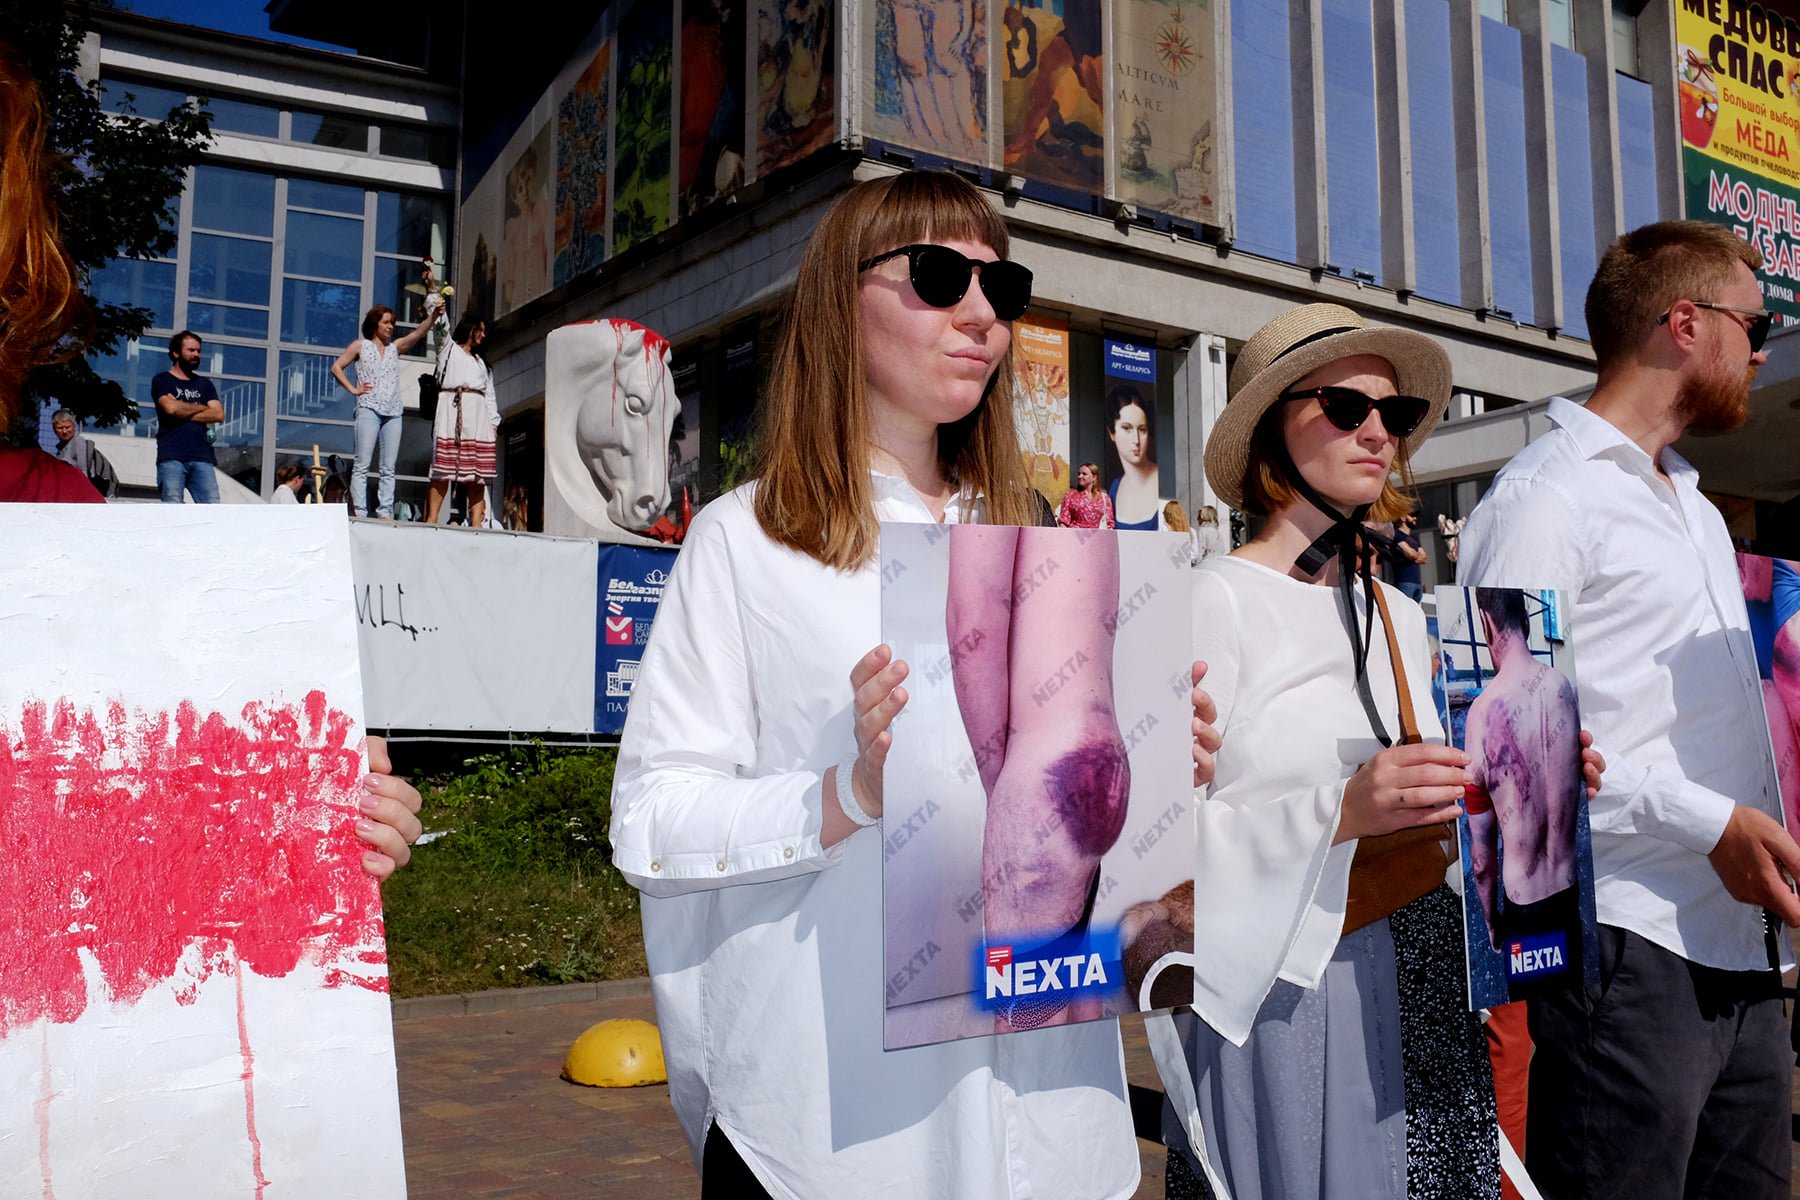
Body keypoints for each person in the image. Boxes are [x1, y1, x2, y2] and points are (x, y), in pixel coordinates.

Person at [609, 169, 1218, 1199]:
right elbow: (652, 819)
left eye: (1002, 287)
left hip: (1056, 1127)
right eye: (940, 277)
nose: (982, 316)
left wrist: (1162, 772)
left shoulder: (1046, 547)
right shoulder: (748, 542)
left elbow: (1076, 841)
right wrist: (844, 797)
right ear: (839, 304)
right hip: (841, 1131)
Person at [1153, 302, 1603, 1200]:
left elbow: (1431, 799)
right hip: (1284, 994)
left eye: (1393, 416)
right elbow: (1163, 851)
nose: (1378, 434)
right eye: (1346, 408)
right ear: (1271, 431)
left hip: (1424, 968)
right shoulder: (1211, 598)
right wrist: (1343, 809)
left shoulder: (1402, 614)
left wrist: (1523, 782)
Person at [0, 44, 422, 872]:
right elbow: (175, 409)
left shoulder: (55, 517)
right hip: (178, 455)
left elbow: (144, 818)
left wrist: (315, 822)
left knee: (194, 517)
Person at [1457, 219, 1800, 1200]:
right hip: (1627, 951)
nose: (1763, 349)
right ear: (1684, 324)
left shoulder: (1694, 504)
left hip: (1743, 950)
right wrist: (1708, 823)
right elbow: (1514, 759)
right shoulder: (1540, 500)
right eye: (1754, 321)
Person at [1463, 588, 1584, 993]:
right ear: (1526, 621)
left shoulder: (1481, 715)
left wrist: (1492, 920)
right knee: (1574, 1009)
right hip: (1569, 892)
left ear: (1485, 622)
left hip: (1524, 906)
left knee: (1539, 1023)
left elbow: (1481, 856)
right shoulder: (1563, 687)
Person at [333, 302, 438, 519]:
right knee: (363, 462)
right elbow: (336, 367)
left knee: (389, 466)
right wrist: (354, 389)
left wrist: (434, 315)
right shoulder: (360, 346)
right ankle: (360, 510)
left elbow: (418, 332)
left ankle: (385, 510)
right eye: (386, 322)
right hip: (369, 408)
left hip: (393, 411)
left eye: (392, 323)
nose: (390, 327)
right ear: (375, 325)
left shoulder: (394, 348)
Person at [426, 314, 499, 526]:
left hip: (477, 419)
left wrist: (493, 424)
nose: (483, 335)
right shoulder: (448, 349)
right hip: (451, 410)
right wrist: (434, 293)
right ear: (470, 328)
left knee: (477, 474)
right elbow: (441, 327)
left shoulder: (482, 364)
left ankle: (477, 523)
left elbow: (490, 396)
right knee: (442, 470)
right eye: (481, 330)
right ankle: (432, 519)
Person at [153, 330, 223, 504]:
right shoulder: (162, 380)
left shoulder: (205, 384)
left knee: (213, 509)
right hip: (172, 456)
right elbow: (170, 408)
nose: (196, 355)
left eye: (198, 351)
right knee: (173, 509)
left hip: (202, 457)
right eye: (191, 350)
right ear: (176, 353)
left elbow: (218, 414)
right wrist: (203, 408)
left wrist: (181, 408)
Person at [1104, 383, 1168, 529]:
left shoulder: (1164, 480)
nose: (1136, 440)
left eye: (1142, 429)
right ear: (1112, 432)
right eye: (1127, 428)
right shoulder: (1114, 488)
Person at [51, 407, 117, 498]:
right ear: (54, 429)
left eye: (67, 427)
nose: (64, 431)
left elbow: (83, 473)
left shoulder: (79, 443)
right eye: (60, 428)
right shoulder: (62, 448)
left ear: (74, 427)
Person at [1056, 460, 1114, 528]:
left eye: (1084, 474)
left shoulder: (1104, 498)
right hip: (1075, 535)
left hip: (1097, 536)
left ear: (1094, 477)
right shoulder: (1071, 495)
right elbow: (1063, 521)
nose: (1080, 476)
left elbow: (1109, 523)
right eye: (1079, 474)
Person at [1390, 510, 1426, 601]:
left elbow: (1424, 558)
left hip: (1417, 582)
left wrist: (1413, 555)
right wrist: (1415, 555)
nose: (1415, 518)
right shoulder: (1397, 535)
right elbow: (1411, 554)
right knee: (1404, 610)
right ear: (1402, 517)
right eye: (1412, 515)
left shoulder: (1414, 537)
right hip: (1404, 581)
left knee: (1416, 612)